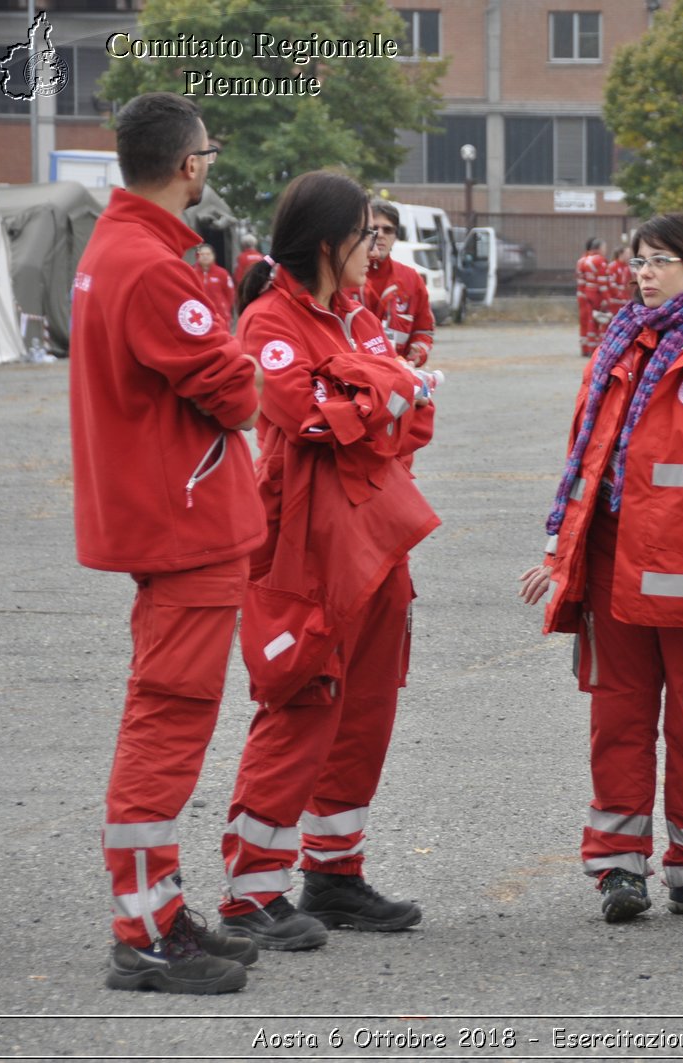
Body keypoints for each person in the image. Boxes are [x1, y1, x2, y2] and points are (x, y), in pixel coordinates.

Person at [519, 213, 683, 924]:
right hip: (613, 570)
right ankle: (618, 866)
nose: (644, 272)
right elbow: (587, 461)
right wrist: (560, 552)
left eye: (660, 260)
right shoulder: (621, 345)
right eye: (640, 259)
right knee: (618, 720)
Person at [70, 91, 263, 995]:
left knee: (169, 715)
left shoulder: (125, 249)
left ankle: (156, 908)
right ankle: (143, 928)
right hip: (185, 523)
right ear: (191, 165)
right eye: (208, 155)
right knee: (168, 720)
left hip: (168, 516)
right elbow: (235, 390)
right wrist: (238, 350)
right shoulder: (151, 262)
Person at [219, 171, 439, 952]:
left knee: (367, 710)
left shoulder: (360, 315)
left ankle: (334, 875)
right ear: (327, 242)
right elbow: (310, 419)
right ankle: (252, 892)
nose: (376, 247)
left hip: (378, 539)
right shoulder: (270, 321)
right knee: (302, 704)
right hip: (306, 547)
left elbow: (418, 420)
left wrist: (376, 399)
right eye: (365, 234)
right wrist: (386, 396)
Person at [362, 198, 436, 367]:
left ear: (395, 236)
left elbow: (424, 330)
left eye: (387, 230)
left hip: (398, 376)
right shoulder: (345, 277)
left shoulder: (411, 279)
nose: (379, 234)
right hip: (353, 377)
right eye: (373, 229)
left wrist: (419, 350)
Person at [575, 237, 609, 357]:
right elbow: (602, 282)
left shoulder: (582, 260)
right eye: (604, 247)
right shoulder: (599, 260)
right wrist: (607, 298)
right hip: (594, 293)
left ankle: (585, 348)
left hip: (583, 293)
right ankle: (594, 348)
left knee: (585, 321)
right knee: (595, 321)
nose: (606, 250)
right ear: (598, 248)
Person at [192, 243, 235, 328]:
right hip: (199, 316)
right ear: (197, 256)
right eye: (202, 254)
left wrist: (226, 309)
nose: (205, 257)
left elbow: (230, 294)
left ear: (213, 256)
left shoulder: (222, 273)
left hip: (221, 315)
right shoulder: (191, 272)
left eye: (208, 254)